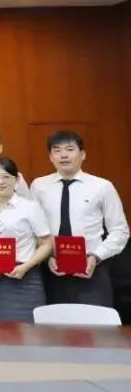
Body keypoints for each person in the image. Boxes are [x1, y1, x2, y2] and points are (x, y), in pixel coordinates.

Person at [31, 131, 128, 307]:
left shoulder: (102, 186)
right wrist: (46, 256)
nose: (64, 155)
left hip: (92, 268)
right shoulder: (39, 186)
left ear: (82, 154)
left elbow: (120, 231)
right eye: (57, 150)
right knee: (53, 322)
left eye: (70, 149)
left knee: (95, 322)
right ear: (50, 157)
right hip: (52, 269)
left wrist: (96, 257)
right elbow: (32, 228)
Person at [0, 157, 52, 322]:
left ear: (17, 180)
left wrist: (25, 267)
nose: (0, 181)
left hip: (26, 277)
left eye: (6, 177)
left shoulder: (30, 207)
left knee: (29, 330)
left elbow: (46, 244)